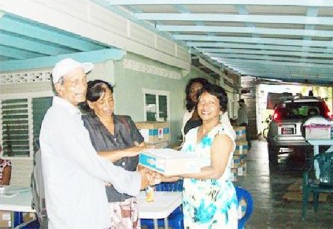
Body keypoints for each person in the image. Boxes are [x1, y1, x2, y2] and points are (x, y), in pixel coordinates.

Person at [39, 58, 152, 229]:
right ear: (59, 87)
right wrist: (135, 181)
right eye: (75, 81)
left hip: (88, 210)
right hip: (76, 217)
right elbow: (92, 162)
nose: (82, 86)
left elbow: (84, 166)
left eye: (84, 80)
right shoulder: (61, 120)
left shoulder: (71, 117)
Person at [166, 83, 238, 228]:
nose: (205, 107)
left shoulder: (222, 135)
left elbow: (215, 171)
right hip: (192, 203)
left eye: (212, 102)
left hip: (216, 204)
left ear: (221, 109)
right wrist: (161, 175)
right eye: (202, 102)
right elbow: (181, 165)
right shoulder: (192, 133)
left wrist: (179, 171)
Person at [81, 79, 146, 229]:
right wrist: (126, 151)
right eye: (102, 102)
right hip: (101, 197)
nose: (108, 105)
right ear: (91, 104)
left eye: (110, 99)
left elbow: (143, 150)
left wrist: (144, 170)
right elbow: (89, 159)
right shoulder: (84, 125)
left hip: (128, 195)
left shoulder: (125, 122)